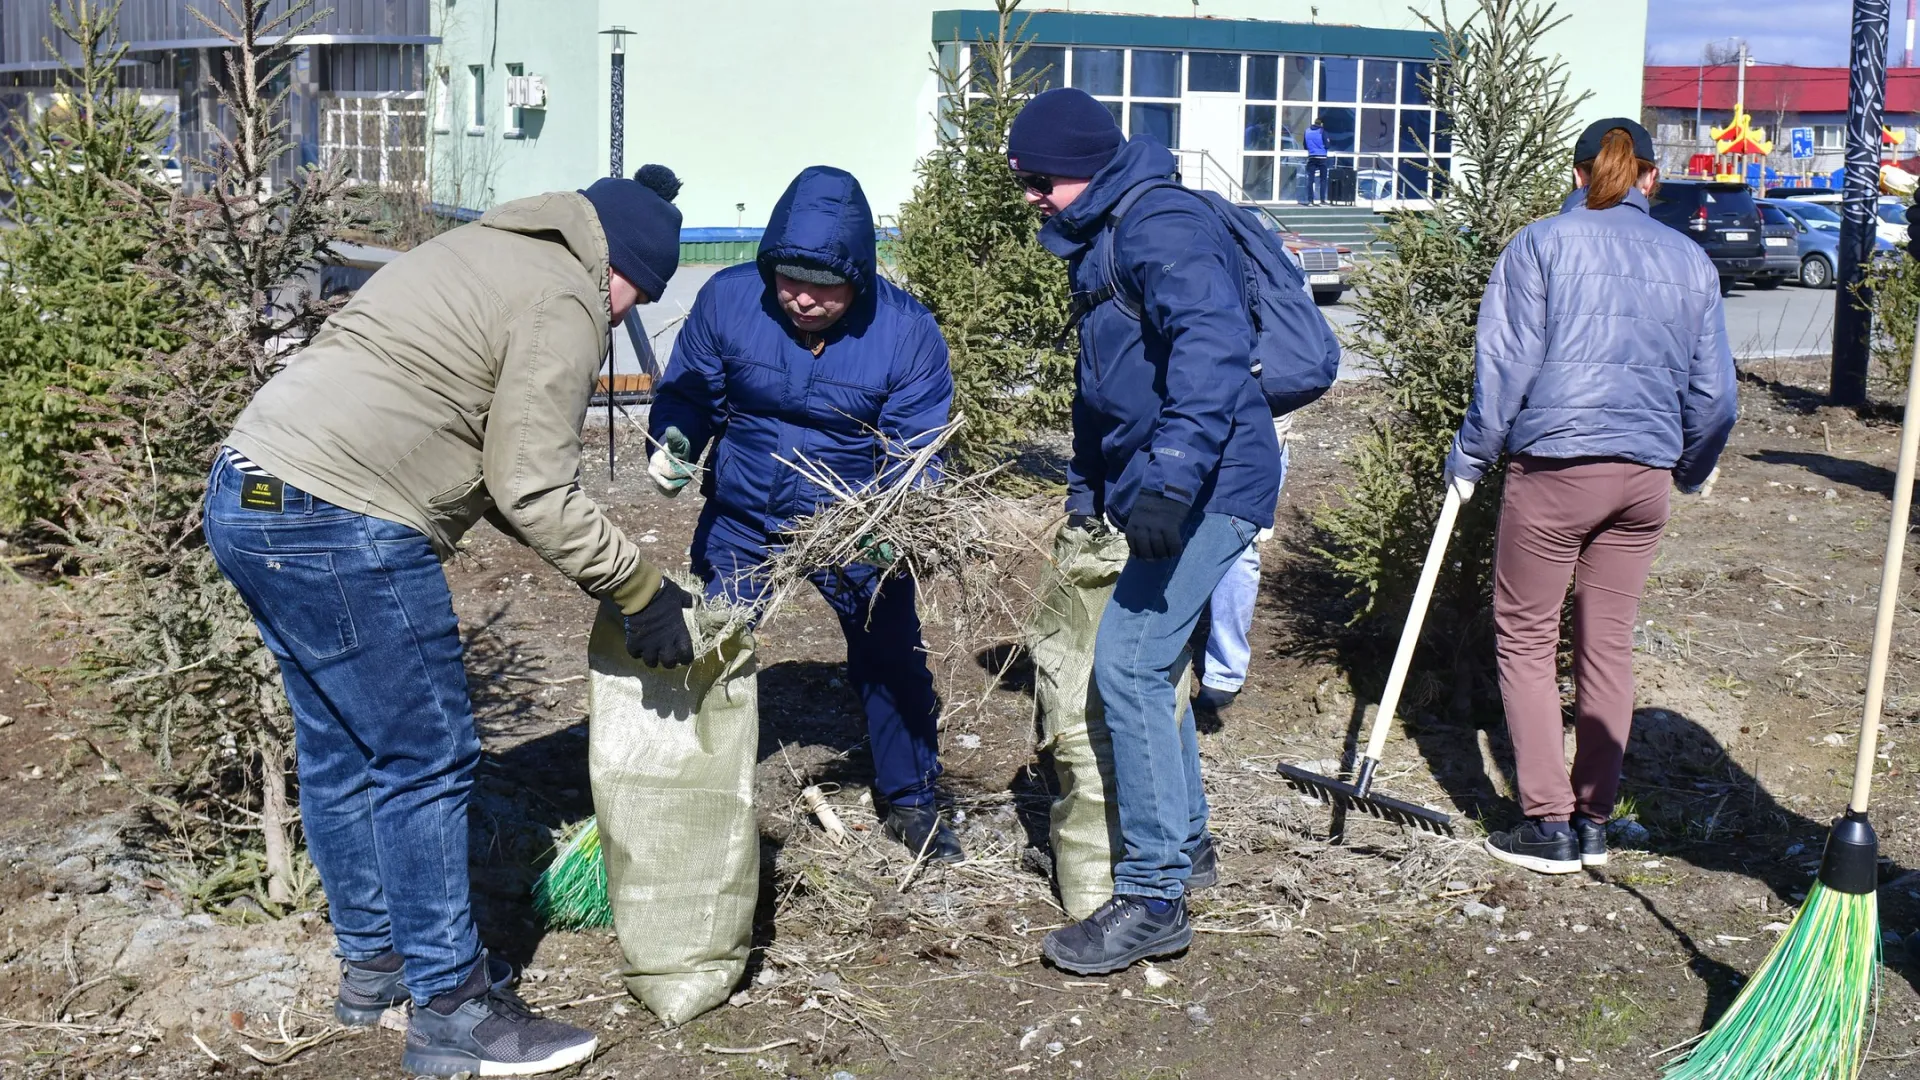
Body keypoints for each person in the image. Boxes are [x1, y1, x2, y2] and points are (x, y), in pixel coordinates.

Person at [203, 168, 690, 1077]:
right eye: (637, 294)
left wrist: (600, 570)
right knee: (425, 756)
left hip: (249, 491)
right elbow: (535, 485)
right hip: (342, 517)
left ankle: (377, 967)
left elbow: (497, 466)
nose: (624, 314)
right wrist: (640, 588)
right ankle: (453, 1011)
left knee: (344, 745)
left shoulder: (480, 248)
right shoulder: (566, 299)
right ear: (619, 268)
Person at [1008, 88, 1281, 974]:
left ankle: (1155, 894)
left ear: (1083, 165)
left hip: (1211, 479)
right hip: (1171, 478)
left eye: (1039, 179)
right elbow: (1108, 387)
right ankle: (1188, 846)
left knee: (1128, 661)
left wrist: (1167, 481)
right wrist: (1090, 488)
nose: (1031, 197)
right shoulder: (1107, 233)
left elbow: (1208, 347)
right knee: (1150, 658)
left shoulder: (1158, 226)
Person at [645, 165, 964, 863]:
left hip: (853, 525)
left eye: (824, 287)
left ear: (859, 277)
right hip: (745, 517)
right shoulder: (731, 300)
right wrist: (675, 436)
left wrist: (892, 523)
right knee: (708, 645)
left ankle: (911, 799)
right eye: (789, 281)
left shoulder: (906, 332)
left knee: (891, 656)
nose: (802, 300)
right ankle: (686, 787)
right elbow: (690, 391)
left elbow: (917, 449)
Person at [1444, 118, 1736, 876]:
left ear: (1578, 175)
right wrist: (1693, 466)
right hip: (1643, 480)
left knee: (1529, 636)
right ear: (1651, 180)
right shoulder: (1690, 260)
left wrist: (1472, 454)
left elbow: (1505, 367)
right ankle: (1596, 818)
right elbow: (1715, 395)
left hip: (1556, 470)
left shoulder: (1541, 244)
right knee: (1608, 641)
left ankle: (1547, 824)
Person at [1195, 419, 1290, 717]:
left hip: (1252, 441)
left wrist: (1266, 445)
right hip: (1187, 430)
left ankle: (1225, 669)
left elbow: (1298, 377)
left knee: (1236, 545)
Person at [1303, 118, 1329, 205]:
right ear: (1321, 124)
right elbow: (1327, 144)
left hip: (1311, 157)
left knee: (1311, 179)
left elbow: (1305, 146)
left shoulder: (1307, 131)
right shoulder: (1322, 131)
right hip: (1322, 157)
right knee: (1323, 179)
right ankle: (1322, 200)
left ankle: (1310, 200)